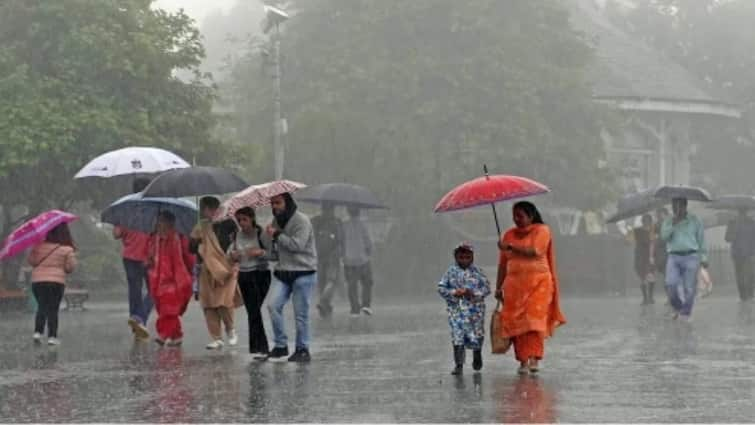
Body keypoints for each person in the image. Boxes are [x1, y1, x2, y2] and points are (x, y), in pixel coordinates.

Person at [495, 201, 566, 375]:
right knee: (517, 323)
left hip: (539, 284)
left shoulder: (542, 230)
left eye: (520, 216)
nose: (516, 219)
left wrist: (511, 247)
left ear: (531, 215)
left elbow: (536, 250)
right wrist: (498, 287)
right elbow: (503, 264)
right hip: (514, 288)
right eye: (514, 216)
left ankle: (534, 358)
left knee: (533, 322)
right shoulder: (508, 235)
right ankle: (522, 361)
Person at [263, 192, 318, 362]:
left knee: (300, 314)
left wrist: (277, 235)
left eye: (278, 203)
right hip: (283, 272)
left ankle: (302, 349)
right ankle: (281, 345)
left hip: (303, 271)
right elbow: (275, 253)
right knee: (273, 306)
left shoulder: (301, 220)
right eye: (272, 203)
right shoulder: (275, 222)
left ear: (287, 202)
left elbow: (297, 245)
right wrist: (265, 246)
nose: (274, 207)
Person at [190, 196, 241, 350]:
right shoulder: (201, 226)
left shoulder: (229, 223)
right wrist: (195, 239)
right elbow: (191, 249)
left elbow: (238, 243)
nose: (209, 212)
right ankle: (216, 337)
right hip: (206, 269)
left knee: (224, 302)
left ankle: (231, 331)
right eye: (206, 209)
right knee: (209, 304)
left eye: (211, 209)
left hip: (226, 267)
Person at [437, 242, 491, 375]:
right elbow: (441, 287)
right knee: (457, 335)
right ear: (456, 257)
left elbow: (487, 288)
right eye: (461, 257)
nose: (464, 260)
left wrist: (474, 294)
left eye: (467, 257)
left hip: (475, 311)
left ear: (472, 257)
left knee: (477, 334)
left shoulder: (478, 272)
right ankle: (459, 364)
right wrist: (454, 293)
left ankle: (477, 353)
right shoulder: (450, 272)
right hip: (457, 310)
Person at [228, 207, 271, 359]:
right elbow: (230, 255)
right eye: (239, 220)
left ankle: (261, 348)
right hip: (244, 276)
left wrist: (261, 253)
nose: (241, 223)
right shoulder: (235, 236)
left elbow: (273, 254)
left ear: (252, 218)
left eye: (244, 219)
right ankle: (260, 349)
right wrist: (233, 256)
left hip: (260, 275)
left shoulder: (261, 234)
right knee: (253, 312)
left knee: (254, 311)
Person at [147, 211, 195, 346]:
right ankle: (176, 335)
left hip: (175, 280)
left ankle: (163, 335)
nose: (159, 224)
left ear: (170, 223)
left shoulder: (178, 238)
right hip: (158, 280)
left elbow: (188, 257)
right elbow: (151, 257)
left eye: (162, 221)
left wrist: (192, 273)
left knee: (169, 310)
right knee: (163, 309)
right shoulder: (155, 239)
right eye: (159, 221)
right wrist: (149, 260)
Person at [113, 177, 153, 340]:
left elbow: (116, 234)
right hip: (150, 257)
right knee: (154, 291)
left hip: (129, 256)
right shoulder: (153, 208)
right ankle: (140, 319)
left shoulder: (124, 209)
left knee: (134, 290)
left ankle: (136, 320)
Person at [28, 223, 78, 346]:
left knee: (41, 306)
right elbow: (70, 267)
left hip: (38, 281)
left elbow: (32, 261)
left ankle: (37, 332)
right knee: (53, 309)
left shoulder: (38, 246)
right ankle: (52, 337)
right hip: (56, 282)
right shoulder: (66, 249)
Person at [660, 197, 707, 322]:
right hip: (673, 257)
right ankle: (679, 308)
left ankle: (685, 314)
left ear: (685, 206)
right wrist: (673, 224)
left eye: (679, 206)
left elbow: (701, 240)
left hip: (691, 256)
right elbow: (664, 237)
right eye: (674, 206)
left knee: (689, 288)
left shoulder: (695, 220)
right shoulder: (668, 220)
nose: (677, 209)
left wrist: (704, 257)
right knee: (671, 285)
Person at [311, 202, 343, 318]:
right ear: (332, 209)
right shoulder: (336, 222)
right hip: (332, 257)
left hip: (319, 256)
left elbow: (311, 237)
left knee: (322, 283)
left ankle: (325, 308)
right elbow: (340, 240)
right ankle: (323, 302)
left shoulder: (315, 221)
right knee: (332, 281)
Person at [342, 206, 375, 316]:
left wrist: (343, 255)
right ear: (359, 212)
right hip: (362, 259)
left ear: (348, 211)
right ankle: (366, 305)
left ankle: (354, 308)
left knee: (352, 286)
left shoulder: (344, 225)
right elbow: (368, 241)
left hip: (348, 260)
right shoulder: (363, 224)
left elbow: (341, 241)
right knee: (367, 283)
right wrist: (370, 251)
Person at [724, 208, 755, 302]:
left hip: (747, 253)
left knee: (747, 274)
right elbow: (728, 238)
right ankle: (745, 295)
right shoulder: (733, 223)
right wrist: (734, 233)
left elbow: (727, 238)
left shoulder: (752, 223)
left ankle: (747, 294)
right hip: (740, 253)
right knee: (742, 275)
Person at [629, 214, 656, 305]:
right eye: (646, 221)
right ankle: (647, 298)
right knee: (644, 277)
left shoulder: (650, 231)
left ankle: (649, 298)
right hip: (642, 255)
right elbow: (630, 240)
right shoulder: (638, 230)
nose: (647, 223)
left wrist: (651, 256)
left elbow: (652, 243)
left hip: (645, 255)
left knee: (648, 276)